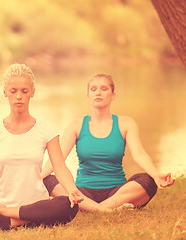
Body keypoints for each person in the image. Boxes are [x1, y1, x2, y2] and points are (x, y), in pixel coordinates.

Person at [0, 64, 84, 233]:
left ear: (32, 92)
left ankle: (6, 215)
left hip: (35, 204)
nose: (19, 96)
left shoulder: (47, 129)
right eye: (13, 91)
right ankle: (29, 219)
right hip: (3, 201)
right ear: (5, 92)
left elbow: (60, 166)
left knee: (68, 205)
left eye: (24, 91)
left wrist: (72, 190)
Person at [41, 73, 175, 212]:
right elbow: (57, 159)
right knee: (48, 181)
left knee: (147, 180)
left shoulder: (126, 123)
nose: (98, 92)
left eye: (104, 89)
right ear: (88, 96)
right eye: (93, 89)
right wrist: (39, 177)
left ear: (113, 94)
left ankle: (90, 209)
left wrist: (155, 174)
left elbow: (139, 154)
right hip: (83, 193)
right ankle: (106, 210)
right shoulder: (76, 126)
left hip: (117, 192)